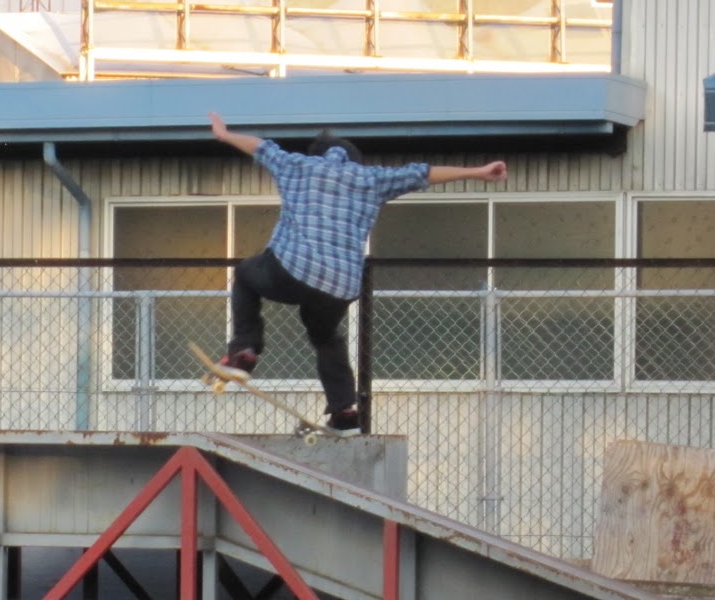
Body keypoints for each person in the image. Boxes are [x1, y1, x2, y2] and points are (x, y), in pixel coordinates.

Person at [209, 112, 507, 433]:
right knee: (326, 336)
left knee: (246, 274)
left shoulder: (297, 165)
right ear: (354, 160)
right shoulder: (371, 179)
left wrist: (225, 135)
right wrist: (478, 172)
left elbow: (260, 147)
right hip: (339, 286)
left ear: (318, 154)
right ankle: (344, 411)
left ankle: (244, 351)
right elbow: (423, 173)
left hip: (291, 269)